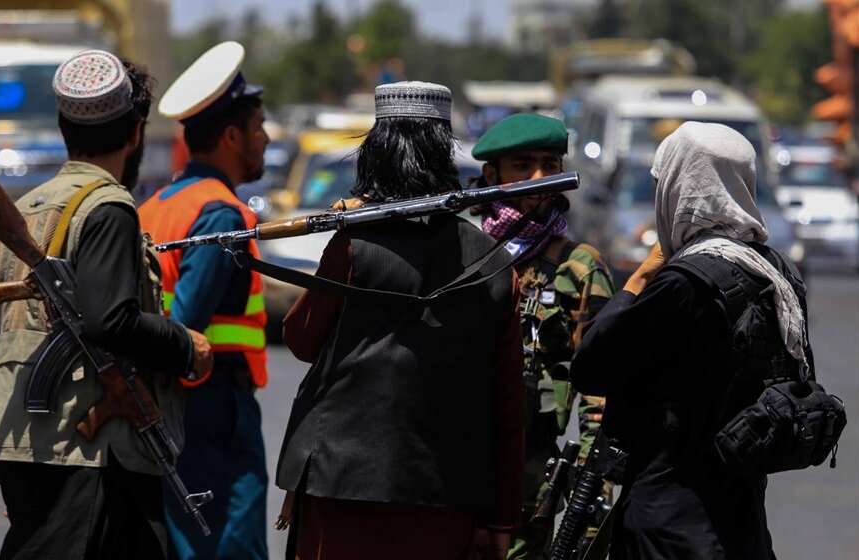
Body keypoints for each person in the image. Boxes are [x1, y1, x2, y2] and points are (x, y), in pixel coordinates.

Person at [0, 50, 212, 560]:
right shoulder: (108, 206)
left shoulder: (26, 208)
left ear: (64, 128)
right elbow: (110, 320)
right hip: (89, 450)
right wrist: (185, 346)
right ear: (135, 132)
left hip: (28, 441)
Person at [276, 81, 525, 560]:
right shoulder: (493, 260)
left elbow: (301, 339)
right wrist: (502, 519)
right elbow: (508, 406)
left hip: (339, 487)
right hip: (447, 496)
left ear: (379, 151)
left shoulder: (354, 244)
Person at [572, 122, 810, 559]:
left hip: (671, 515)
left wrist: (641, 276)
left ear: (679, 188)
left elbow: (591, 366)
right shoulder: (776, 273)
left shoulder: (685, 282)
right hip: (741, 518)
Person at [138, 41, 270, 560]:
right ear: (232, 136)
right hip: (210, 408)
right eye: (259, 127)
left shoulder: (157, 205)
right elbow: (184, 326)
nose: (265, 138)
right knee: (231, 546)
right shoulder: (219, 213)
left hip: (170, 406)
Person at [469, 113, 615, 559]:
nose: (539, 178)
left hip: (527, 483)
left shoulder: (579, 268)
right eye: (523, 166)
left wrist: (593, 487)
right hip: (454, 472)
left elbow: (602, 392)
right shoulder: (463, 257)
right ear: (491, 175)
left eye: (549, 165)